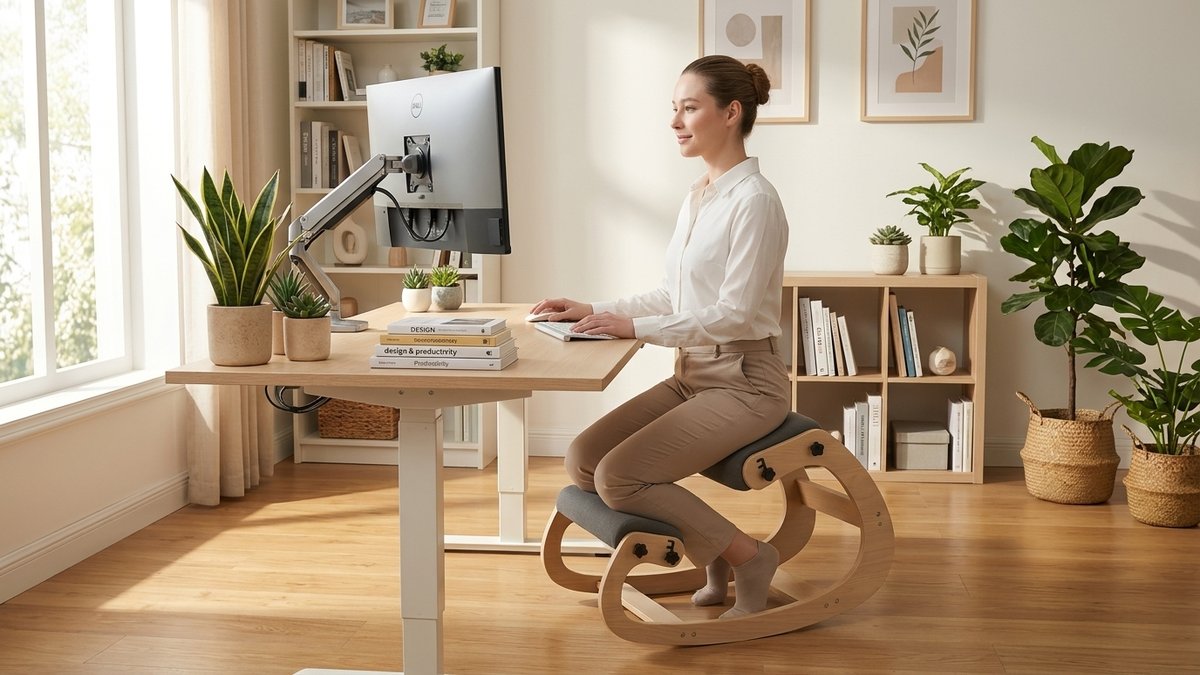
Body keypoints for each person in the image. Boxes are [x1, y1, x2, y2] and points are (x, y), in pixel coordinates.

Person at [530, 55, 790, 619]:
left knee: (619, 476)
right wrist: (594, 309)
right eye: (674, 108)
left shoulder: (756, 202)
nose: (675, 120)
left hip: (748, 382)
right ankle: (715, 548)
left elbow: (737, 315)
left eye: (689, 108)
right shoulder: (699, 196)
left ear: (731, 113)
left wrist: (636, 330)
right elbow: (674, 297)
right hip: (695, 372)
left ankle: (749, 558)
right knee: (582, 460)